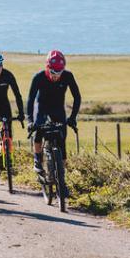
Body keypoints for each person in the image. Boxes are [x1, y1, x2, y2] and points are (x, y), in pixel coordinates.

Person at [26, 49, 81, 181]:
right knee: (38, 130)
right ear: (47, 67)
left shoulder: (68, 76)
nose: (56, 76)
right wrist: (30, 120)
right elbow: (30, 99)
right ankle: (37, 159)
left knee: (62, 141)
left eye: (59, 72)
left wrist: (72, 118)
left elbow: (77, 97)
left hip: (58, 108)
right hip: (42, 107)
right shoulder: (38, 77)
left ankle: (61, 179)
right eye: (53, 72)